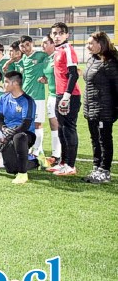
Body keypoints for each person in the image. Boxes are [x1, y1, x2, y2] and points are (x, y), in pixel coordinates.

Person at [81, 31, 118, 184]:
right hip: (91, 108)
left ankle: (105, 171)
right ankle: (97, 167)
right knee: (95, 139)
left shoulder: (110, 63)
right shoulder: (92, 60)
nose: (88, 46)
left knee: (104, 140)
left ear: (101, 44)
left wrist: (114, 109)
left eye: (91, 43)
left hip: (104, 109)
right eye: (87, 43)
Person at [47, 22, 81, 176]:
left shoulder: (67, 50)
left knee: (68, 129)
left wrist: (66, 96)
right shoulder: (58, 50)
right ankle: (63, 162)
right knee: (61, 129)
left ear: (67, 35)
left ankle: (71, 166)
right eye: (54, 33)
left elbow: (74, 74)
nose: (57, 36)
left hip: (70, 95)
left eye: (60, 33)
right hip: (60, 95)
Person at [0, 71, 37, 185]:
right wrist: (4, 129)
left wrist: (7, 136)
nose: (3, 84)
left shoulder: (27, 100)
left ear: (15, 84)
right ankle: (35, 161)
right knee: (11, 169)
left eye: (6, 82)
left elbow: (26, 124)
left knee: (19, 137)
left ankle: (23, 174)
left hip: (25, 134)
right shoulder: (3, 98)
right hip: (8, 132)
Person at [18, 35, 49, 157]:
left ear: (32, 43)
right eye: (22, 46)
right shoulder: (24, 59)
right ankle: (35, 147)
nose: (25, 48)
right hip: (25, 96)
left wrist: (46, 78)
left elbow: (51, 63)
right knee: (26, 123)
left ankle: (37, 150)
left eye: (27, 45)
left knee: (37, 123)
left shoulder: (41, 55)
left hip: (38, 96)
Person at [38, 34, 62, 164]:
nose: (43, 45)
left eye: (46, 42)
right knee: (53, 124)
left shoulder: (59, 55)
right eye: (42, 43)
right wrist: (45, 80)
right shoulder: (47, 59)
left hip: (62, 95)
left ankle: (64, 156)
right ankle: (56, 155)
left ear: (53, 44)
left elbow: (75, 72)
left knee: (63, 126)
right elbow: (50, 76)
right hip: (52, 95)